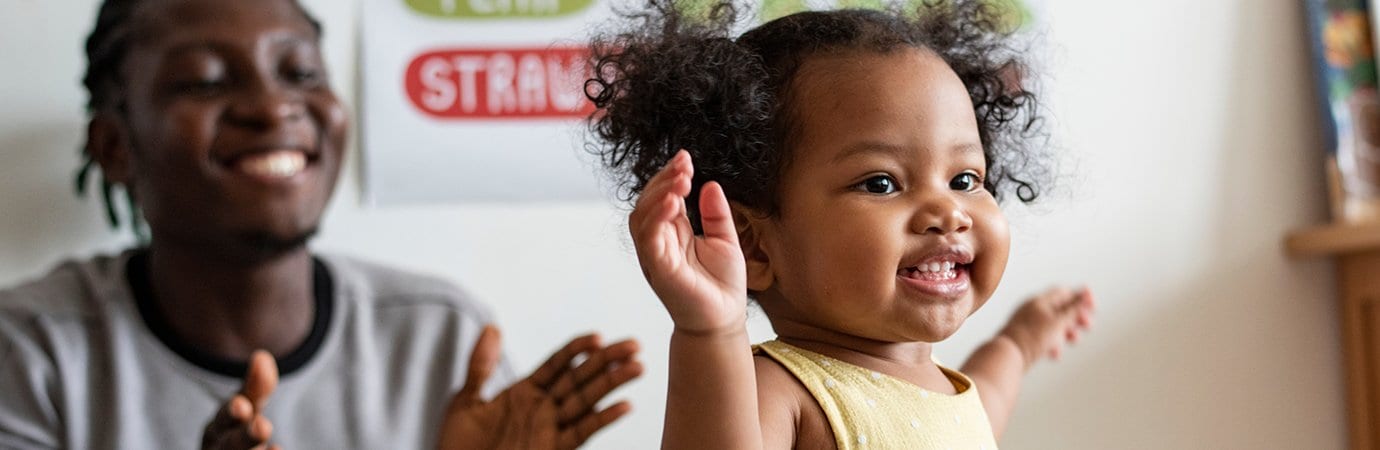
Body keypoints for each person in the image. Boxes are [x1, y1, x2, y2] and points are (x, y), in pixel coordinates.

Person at [0, 0, 642, 448]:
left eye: (301, 72)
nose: (272, 105)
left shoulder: (442, 338)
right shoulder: (31, 353)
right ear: (115, 147)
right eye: (204, 81)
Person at [585, 0, 1095, 448]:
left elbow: (987, 402)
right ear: (753, 246)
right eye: (881, 183)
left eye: (963, 179)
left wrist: (1021, 341)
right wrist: (711, 333)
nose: (948, 212)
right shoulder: (784, 391)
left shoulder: (948, 390)